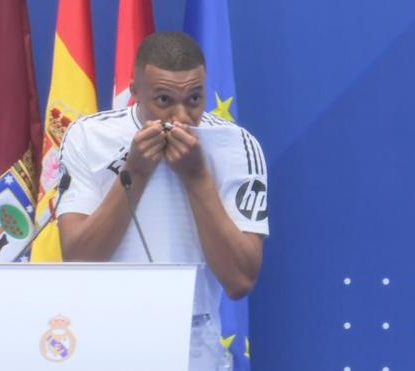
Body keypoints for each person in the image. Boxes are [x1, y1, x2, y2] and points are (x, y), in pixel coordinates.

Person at [57, 32, 269, 370]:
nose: (181, 117)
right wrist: (136, 173)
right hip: (103, 331)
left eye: (195, 99)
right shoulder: (89, 137)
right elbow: (79, 258)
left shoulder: (237, 147)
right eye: (164, 100)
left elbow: (240, 280)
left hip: (192, 337)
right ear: (135, 92)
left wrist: (197, 177)